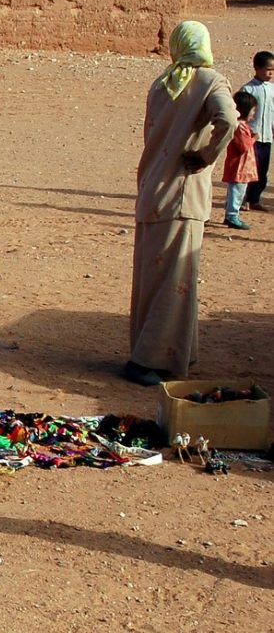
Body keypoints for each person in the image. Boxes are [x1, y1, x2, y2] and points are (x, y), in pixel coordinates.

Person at [125, 21, 236, 387]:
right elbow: (229, 121)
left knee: (151, 278)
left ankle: (175, 355)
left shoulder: (162, 84)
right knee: (174, 280)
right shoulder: (209, 81)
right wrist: (205, 156)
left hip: (152, 190)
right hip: (182, 195)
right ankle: (148, 360)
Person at [223, 91, 260, 230]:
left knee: (237, 190)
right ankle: (232, 215)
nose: (253, 114)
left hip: (242, 167)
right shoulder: (239, 126)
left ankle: (231, 214)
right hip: (239, 166)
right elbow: (243, 146)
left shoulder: (242, 126)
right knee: (236, 191)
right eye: (252, 110)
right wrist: (254, 138)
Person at [241, 51, 272, 212]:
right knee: (249, 169)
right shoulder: (248, 89)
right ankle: (244, 199)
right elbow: (241, 111)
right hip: (250, 137)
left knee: (262, 171)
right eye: (268, 69)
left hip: (266, 137)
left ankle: (255, 199)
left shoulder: (272, 89)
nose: (271, 73)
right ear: (257, 68)